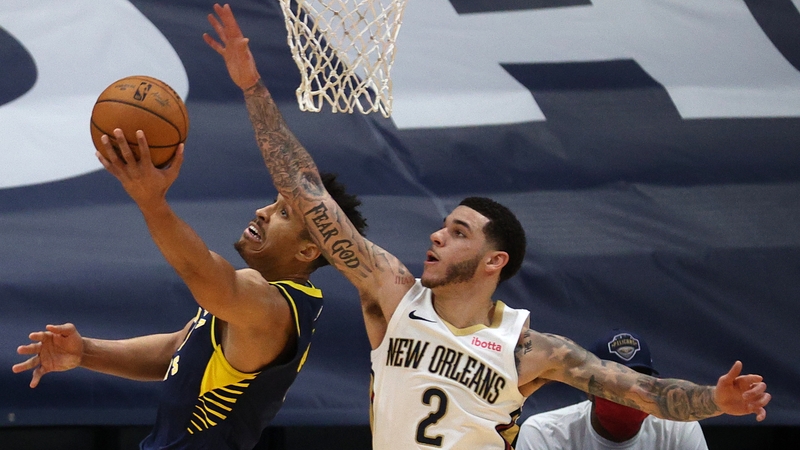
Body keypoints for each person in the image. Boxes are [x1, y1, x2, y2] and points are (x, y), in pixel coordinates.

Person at [204, 4, 772, 449]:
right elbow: (308, 194)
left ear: (495, 260)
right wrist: (253, 87)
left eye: (458, 232)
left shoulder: (531, 349)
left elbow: (643, 392)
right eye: (442, 227)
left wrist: (715, 401)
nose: (436, 235)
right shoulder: (393, 295)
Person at [13, 126, 367, 448]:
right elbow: (176, 350)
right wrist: (85, 352)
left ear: (308, 250)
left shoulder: (271, 306)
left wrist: (152, 202)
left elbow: (200, 270)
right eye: (273, 202)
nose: (262, 211)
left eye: (283, 213)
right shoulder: (260, 304)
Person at [516, 330, 709, 450]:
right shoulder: (545, 433)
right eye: (616, 386)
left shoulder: (678, 429)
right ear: (588, 390)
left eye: (641, 382)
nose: (631, 393)